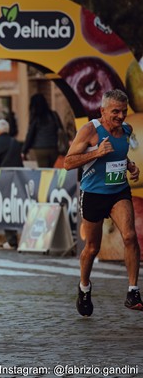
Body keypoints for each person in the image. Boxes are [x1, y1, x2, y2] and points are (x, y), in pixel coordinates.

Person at [64, 89, 142, 316]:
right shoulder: (90, 130)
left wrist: (130, 166)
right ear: (103, 111)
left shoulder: (126, 130)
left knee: (129, 236)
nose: (120, 116)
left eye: (124, 111)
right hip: (94, 195)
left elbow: (119, 154)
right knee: (92, 247)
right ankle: (84, 287)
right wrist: (96, 153)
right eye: (115, 112)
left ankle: (133, 291)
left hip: (118, 192)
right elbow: (68, 163)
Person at [0, 119, 24, 249]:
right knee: (14, 208)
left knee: (5, 209)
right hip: (16, 181)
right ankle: (15, 239)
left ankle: (11, 240)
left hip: (2, 182)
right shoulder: (15, 142)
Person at [22, 94, 59, 168]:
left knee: (43, 171)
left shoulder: (36, 117)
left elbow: (30, 135)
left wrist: (24, 151)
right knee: (51, 170)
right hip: (54, 148)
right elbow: (60, 129)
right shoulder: (53, 115)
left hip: (40, 149)